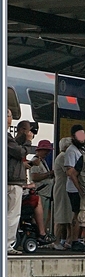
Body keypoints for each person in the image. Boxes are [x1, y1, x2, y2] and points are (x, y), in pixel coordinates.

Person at [7, 108, 31, 254]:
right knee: (12, 214)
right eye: (10, 116)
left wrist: (21, 137)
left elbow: (13, 146)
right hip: (12, 180)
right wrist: (28, 141)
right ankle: (7, 245)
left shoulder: (8, 137)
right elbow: (20, 152)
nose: (11, 119)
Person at [62, 125, 85, 251]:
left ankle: (81, 239)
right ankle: (74, 239)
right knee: (77, 213)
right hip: (74, 188)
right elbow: (71, 172)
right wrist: (79, 188)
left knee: (84, 213)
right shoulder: (71, 151)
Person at [29, 139, 54, 241]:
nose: (47, 152)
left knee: (43, 217)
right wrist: (49, 174)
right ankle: (38, 235)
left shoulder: (42, 161)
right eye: (45, 150)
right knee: (39, 218)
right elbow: (34, 177)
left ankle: (40, 235)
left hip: (45, 193)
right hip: (41, 193)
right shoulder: (36, 161)